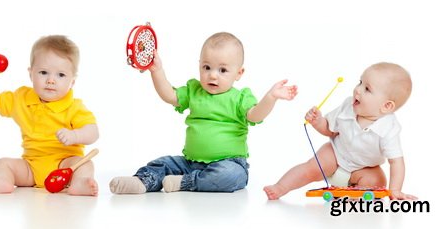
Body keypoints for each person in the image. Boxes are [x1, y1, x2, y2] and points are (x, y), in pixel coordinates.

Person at [110, 32, 298, 194]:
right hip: (190, 162)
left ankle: (185, 183)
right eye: (206, 67)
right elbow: (169, 95)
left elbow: (256, 115)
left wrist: (271, 97)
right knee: (163, 163)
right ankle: (143, 181)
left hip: (229, 163)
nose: (212, 75)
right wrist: (157, 71)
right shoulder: (194, 90)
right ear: (199, 65)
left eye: (223, 70)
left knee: (232, 176)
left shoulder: (240, 98)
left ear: (238, 73)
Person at [264, 62, 417, 200]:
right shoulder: (348, 107)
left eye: (367, 89)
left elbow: (396, 162)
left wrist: (395, 190)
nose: (357, 90)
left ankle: (350, 197)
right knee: (310, 168)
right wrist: (318, 122)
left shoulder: (388, 129)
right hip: (335, 155)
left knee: (377, 181)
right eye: (360, 82)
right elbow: (329, 130)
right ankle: (280, 187)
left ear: (386, 106)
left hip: (364, 169)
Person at [0, 35, 99, 196]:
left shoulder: (74, 107)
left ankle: (79, 183)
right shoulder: (21, 98)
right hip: (30, 167)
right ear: (31, 73)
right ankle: (3, 180)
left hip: (65, 166)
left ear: (72, 82)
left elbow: (93, 132)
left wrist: (75, 135)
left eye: (61, 75)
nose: (51, 80)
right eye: (43, 72)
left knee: (85, 164)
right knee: (2, 163)